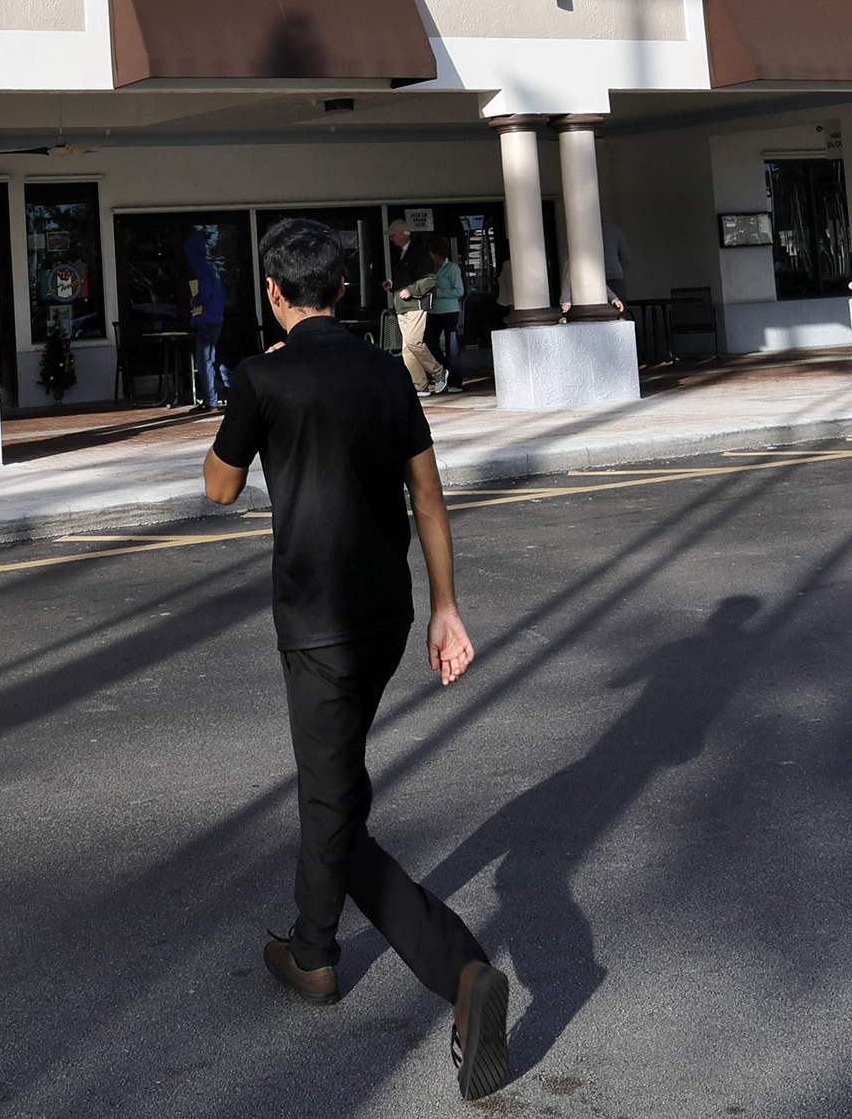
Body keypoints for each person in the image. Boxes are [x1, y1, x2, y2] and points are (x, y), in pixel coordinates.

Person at [204, 216, 512, 1103]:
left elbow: (220, 488)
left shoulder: (263, 377)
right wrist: (447, 608)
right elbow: (428, 495)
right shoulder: (385, 371)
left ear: (274, 291)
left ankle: (452, 972)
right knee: (333, 787)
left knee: (331, 797)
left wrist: (259, 415)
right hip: (387, 614)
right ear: (345, 290)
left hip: (317, 620)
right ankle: (312, 945)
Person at [385, 217, 441, 393]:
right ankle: (420, 385)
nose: (391, 238)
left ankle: (438, 372)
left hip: (414, 306)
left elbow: (430, 279)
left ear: (402, 234)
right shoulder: (404, 253)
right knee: (408, 349)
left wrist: (410, 290)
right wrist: (392, 286)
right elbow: (409, 279)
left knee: (413, 343)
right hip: (403, 306)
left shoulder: (418, 252)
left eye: (393, 235)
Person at [183, 226, 230, 412]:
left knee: (204, 361)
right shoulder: (213, 267)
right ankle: (238, 383)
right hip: (216, 318)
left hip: (206, 320)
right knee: (210, 360)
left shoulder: (201, 267)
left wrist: (194, 300)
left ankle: (211, 401)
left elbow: (206, 292)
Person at [423, 237, 464, 395]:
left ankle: (455, 381)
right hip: (433, 310)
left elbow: (459, 291)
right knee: (429, 341)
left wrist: (438, 293)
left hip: (449, 310)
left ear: (436, 253)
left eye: (432, 253)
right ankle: (443, 370)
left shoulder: (452, 268)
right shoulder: (431, 268)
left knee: (451, 345)